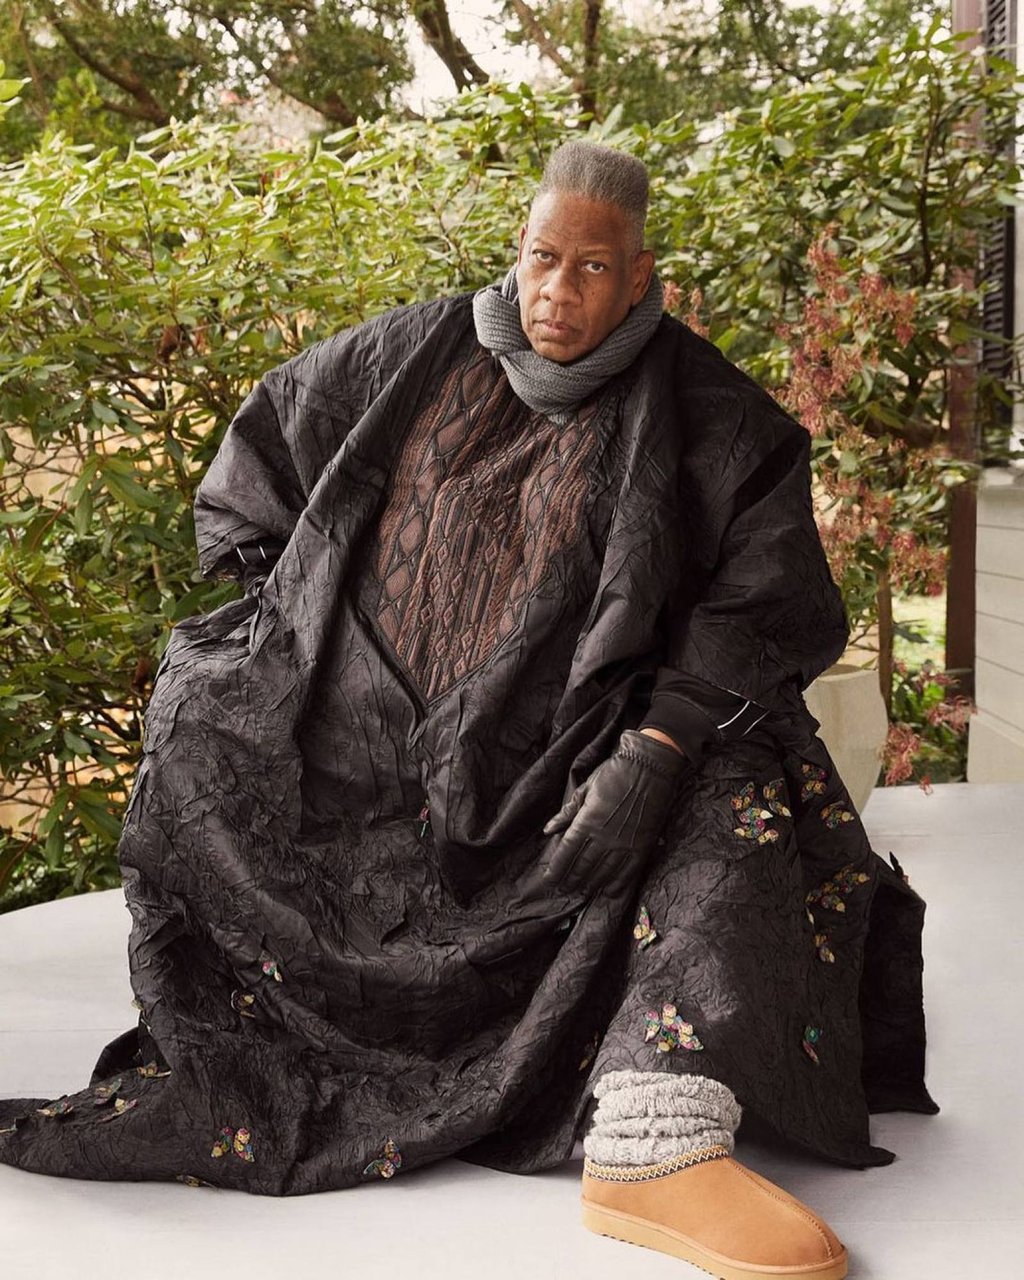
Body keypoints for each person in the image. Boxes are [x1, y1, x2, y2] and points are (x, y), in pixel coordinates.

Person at [0, 140, 937, 1278]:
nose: (557, 292)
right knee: (204, 722)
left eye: (592, 269)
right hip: (380, 740)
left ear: (639, 277)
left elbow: (764, 594)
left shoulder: (707, 409)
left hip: (586, 748)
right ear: (518, 249)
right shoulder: (412, 348)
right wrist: (295, 633)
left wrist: (653, 743)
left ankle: (656, 1127)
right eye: (543, 258)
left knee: (736, 786)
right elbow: (265, 452)